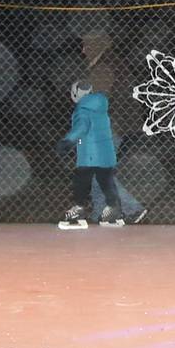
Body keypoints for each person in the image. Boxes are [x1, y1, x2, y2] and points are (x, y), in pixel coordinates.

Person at [79, 30, 148, 223]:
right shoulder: (109, 62)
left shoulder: (105, 65)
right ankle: (101, 213)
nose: (83, 50)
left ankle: (132, 208)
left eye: (86, 45)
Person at [58, 67, 123, 230]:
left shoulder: (82, 109)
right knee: (106, 180)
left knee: (81, 180)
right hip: (106, 153)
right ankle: (113, 210)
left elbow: (81, 127)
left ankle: (78, 210)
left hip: (89, 154)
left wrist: (67, 141)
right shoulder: (101, 107)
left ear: (76, 94)